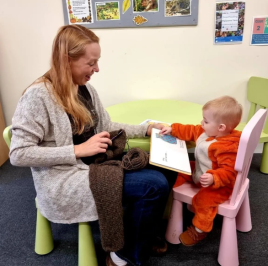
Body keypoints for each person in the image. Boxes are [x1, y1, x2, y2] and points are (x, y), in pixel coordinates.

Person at [10, 24, 176, 266]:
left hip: (96, 162)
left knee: (165, 166)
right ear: (67, 60)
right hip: (64, 178)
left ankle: (139, 234)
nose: (96, 69)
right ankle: (123, 256)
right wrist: (77, 150)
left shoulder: (84, 89)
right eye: (91, 63)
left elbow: (106, 126)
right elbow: (18, 154)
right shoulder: (37, 96)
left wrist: (146, 128)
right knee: (153, 185)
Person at [160, 96, 242, 246]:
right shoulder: (208, 132)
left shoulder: (227, 148)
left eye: (205, 121)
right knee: (179, 167)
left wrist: (213, 177)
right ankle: (168, 196)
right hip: (201, 171)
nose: (201, 123)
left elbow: (229, 172)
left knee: (203, 200)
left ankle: (199, 230)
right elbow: (191, 130)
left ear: (221, 127)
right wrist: (173, 129)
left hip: (219, 185)